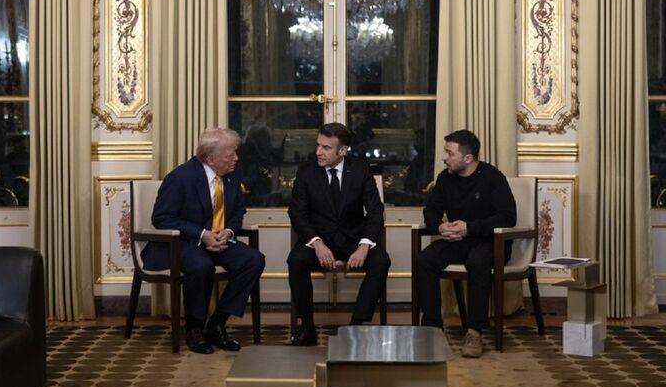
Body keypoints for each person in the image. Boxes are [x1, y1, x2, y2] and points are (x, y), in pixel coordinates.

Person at [142, 128, 266, 354]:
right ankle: (194, 328)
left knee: (253, 260)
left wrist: (229, 231)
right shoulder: (180, 177)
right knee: (201, 266)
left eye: (235, 153)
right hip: (185, 242)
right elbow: (161, 218)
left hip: (219, 239)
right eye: (229, 155)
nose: (236, 159)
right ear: (210, 158)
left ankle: (217, 323)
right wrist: (202, 234)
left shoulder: (232, 174)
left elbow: (238, 210)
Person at [414, 129, 516, 358]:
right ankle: (432, 328)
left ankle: (474, 331)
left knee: (477, 261)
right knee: (425, 260)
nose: (444, 158)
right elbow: (431, 210)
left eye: (450, 153)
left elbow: (508, 217)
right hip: (457, 241)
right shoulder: (445, 178)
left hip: (490, 242)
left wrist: (470, 227)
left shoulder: (492, 177)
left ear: (468, 158)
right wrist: (440, 227)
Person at [287, 123, 390, 346]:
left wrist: (364, 245)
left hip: (353, 239)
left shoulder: (361, 169)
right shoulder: (306, 172)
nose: (319, 152)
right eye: (318, 145)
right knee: (296, 260)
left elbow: (375, 211)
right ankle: (307, 327)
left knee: (381, 260)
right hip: (319, 239)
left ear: (342, 151)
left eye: (326, 148)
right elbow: (297, 213)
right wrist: (317, 243)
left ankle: (356, 326)